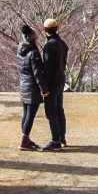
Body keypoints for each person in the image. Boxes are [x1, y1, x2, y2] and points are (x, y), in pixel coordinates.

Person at [16, 25, 49, 151]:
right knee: (30, 115)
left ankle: (25, 139)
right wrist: (44, 90)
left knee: (26, 114)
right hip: (32, 88)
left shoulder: (20, 49)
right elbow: (37, 73)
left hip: (23, 85)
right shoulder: (33, 52)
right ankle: (24, 141)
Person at [41, 17, 69, 151]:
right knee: (59, 110)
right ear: (56, 28)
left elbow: (47, 67)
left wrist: (43, 86)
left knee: (51, 112)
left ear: (45, 30)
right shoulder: (62, 43)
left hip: (52, 82)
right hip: (61, 80)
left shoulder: (49, 45)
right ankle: (62, 138)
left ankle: (55, 140)